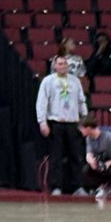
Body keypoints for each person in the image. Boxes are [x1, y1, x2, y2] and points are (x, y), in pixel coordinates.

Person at [36, 55, 88, 196]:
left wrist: (84, 119)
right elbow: (41, 103)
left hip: (72, 123)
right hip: (55, 123)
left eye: (65, 64)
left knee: (76, 156)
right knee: (56, 157)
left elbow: (81, 100)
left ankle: (77, 186)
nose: (63, 66)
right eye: (60, 64)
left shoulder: (75, 81)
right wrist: (42, 122)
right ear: (54, 66)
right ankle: (56, 187)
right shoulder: (48, 81)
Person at [78, 115, 111, 200]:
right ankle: (103, 187)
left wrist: (109, 163)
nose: (80, 131)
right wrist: (91, 161)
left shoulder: (109, 137)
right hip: (100, 163)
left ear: (88, 128)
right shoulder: (88, 138)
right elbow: (88, 154)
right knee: (87, 169)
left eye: (82, 128)